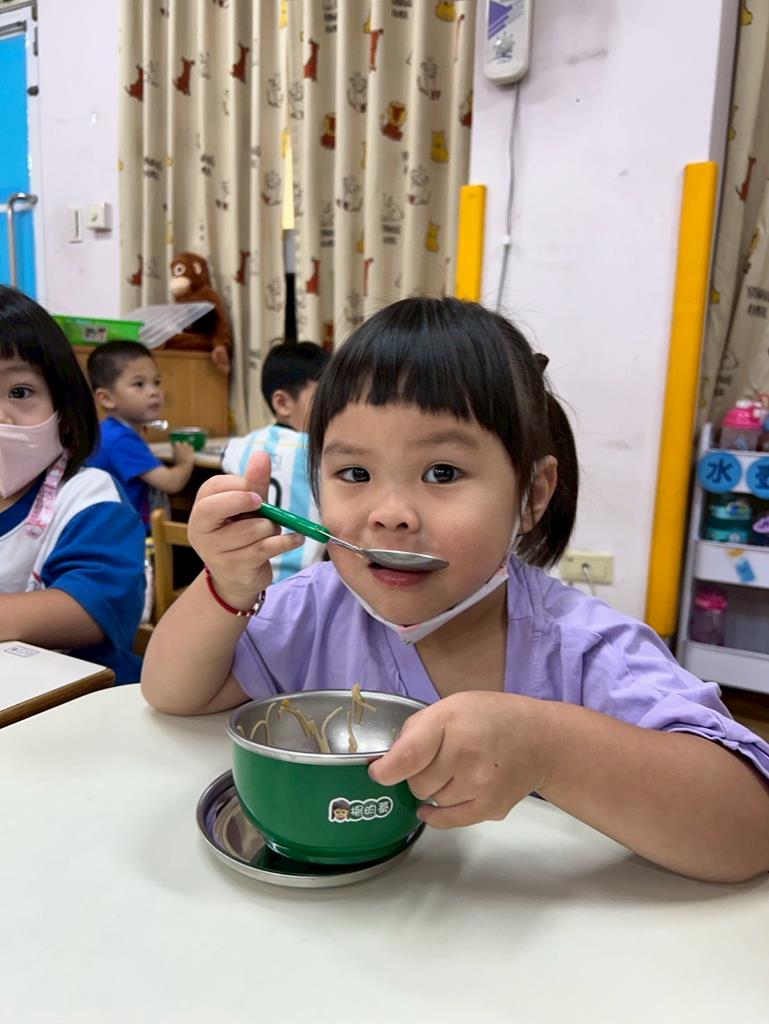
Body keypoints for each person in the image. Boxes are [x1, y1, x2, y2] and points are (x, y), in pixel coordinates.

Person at [141, 297, 769, 882]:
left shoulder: (585, 650)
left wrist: (548, 748)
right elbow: (173, 693)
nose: (390, 514)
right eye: (354, 473)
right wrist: (224, 586)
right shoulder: (312, 609)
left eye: (442, 472)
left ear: (532, 496)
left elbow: (748, 827)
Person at [0, 287, 146, 684]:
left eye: (19, 392)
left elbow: (89, 610)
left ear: (63, 410)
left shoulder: (90, 496)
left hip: (84, 701)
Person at [221, 339, 329, 580]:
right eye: (323, 401)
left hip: (244, 579)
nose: (330, 411)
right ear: (282, 403)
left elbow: (226, 459)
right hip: (302, 583)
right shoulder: (320, 451)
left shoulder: (239, 446)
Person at [87, 340, 195, 531]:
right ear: (106, 398)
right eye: (139, 384)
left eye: (157, 382)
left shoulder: (110, 431)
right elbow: (171, 483)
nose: (154, 392)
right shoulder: (120, 440)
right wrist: (185, 462)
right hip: (125, 535)